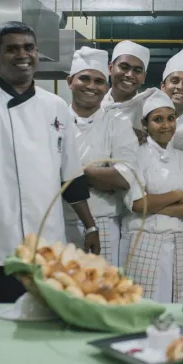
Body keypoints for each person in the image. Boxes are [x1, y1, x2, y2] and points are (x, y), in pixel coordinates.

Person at [0, 21, 98, 304]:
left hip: (49, 246)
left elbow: (70, 175)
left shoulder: (55, 106)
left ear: (37, 53)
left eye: (28, 47)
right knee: (4, 327)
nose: (22, 54)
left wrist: (90, 226)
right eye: (12, 49)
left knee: (49, 322)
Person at [120, 90, 183, 303]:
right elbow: (138, 204)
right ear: (145, 123)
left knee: (177, 309)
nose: (166, 125)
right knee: (144, 308)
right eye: (158, 120)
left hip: (178, 243)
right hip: (144, 241)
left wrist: (155, 203)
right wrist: (176, 195)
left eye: (171, 118)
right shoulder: (135, 155)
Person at [64, 47, 139, 266]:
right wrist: (100, 175)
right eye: (84, 78)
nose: (91, 86)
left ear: (106, 87)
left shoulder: (118, 126)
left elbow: (126, 178)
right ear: (70, 81)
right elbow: (42, 172)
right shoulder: (54, 122)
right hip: (56, 221)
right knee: (59, 292)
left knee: (101, 294)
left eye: (98, 81)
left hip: (104, 224)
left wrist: (72, 171)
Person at [101, 40, 157, 143]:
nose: (130, 74)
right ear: (110, 68)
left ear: (144, 77)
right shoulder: (95, 106)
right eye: (124, 67)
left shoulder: (149, 110)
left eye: (137, 71)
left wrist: (148, 140)